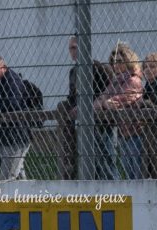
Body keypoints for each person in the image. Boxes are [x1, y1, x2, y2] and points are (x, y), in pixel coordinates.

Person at [54, 36, 112, 179]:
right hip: (82, 122)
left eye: (75, 47)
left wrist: (84, 107)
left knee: (103, 161)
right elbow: (72, 97)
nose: (72, 51)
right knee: (88, 162)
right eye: (70, 48)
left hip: (100, 122)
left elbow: (106, 93)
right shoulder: (73, 71)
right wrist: (71, 108)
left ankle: (113, 193)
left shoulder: (98, 68)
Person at [95, 43, 145, 179]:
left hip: (136, 133)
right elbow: (103, 98)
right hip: (124, 133)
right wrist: (105, 103)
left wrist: (106, 102)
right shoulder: (116, 81)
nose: (115, 65)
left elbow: (121, 99)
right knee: (129, 174)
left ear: (128, 61)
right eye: (113, 62)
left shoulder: (133, 80)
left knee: (137, 175)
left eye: (119, 61)